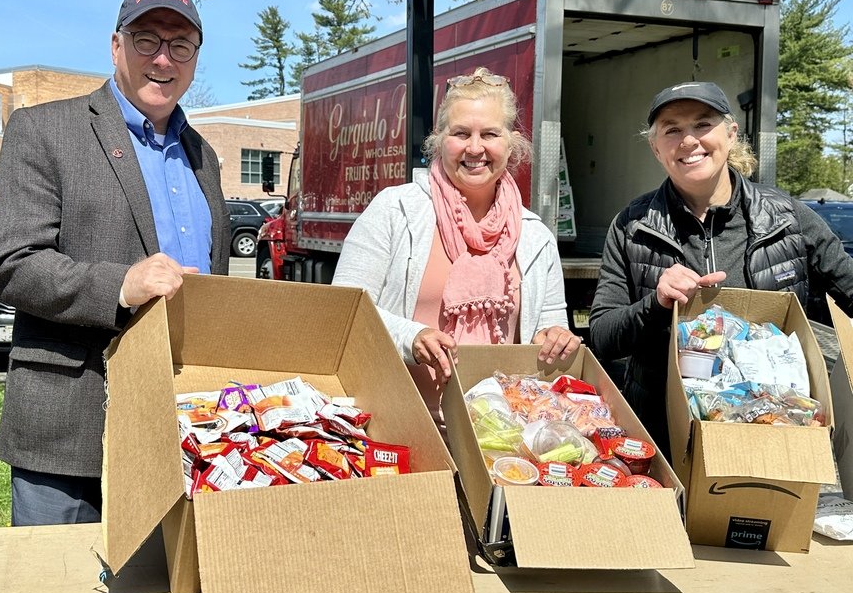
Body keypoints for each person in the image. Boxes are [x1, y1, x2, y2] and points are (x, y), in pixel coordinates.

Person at [0, 0, 230, 527]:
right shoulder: (45, 130)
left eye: (180, 45)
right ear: (115, 46)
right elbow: (12, 262)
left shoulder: (203, 155)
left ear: (195, 59)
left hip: (185, 427)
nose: (163, 59)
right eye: (146, 40)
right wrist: (121, 285)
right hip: (72, 427)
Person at [589, 81, 853, 453]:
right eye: (672, 129)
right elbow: (602, 336)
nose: (688, 140)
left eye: (702, 124)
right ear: (655, 147)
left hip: (774, 435)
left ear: (730, 135)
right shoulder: (632, 226)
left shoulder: (788, 218)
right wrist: (657, 303)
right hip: (664, 439)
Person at [332, 67, 580, 431]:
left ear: (511, 143)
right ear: (439, 139)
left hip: (499, 436)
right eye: (461, 133)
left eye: (490, 134)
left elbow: (549, 327)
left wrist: (556, 338)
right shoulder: (394, 210)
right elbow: (344, 308)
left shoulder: (535, 236)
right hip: (395, 426)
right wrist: (410, 336)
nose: (475, 148)